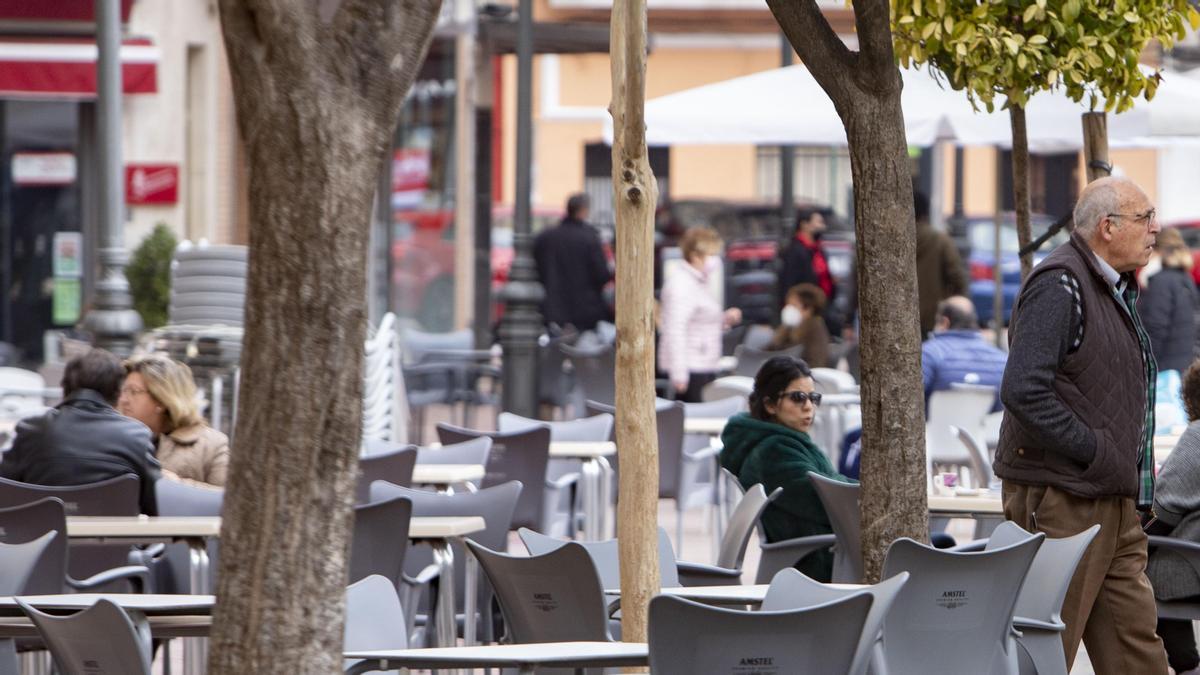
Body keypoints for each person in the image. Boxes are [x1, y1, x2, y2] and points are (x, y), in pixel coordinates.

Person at [993, 176, 1166, 673]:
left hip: (1110, 497)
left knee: (1137, 649)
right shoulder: (1060, 283)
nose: (1155, 228)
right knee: (1046, 649)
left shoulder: (1113, 288)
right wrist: (1095, 450)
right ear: (1108, 228)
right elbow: (1023, 388)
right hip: (1064, 497)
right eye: (1144, 217)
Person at [720, 355, 849, 581]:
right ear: (769, 404)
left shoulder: (784, 443)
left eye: (813, 397)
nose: (808, 406)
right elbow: (830, 498)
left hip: (828, 553)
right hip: (814, 566)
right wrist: (877, 495)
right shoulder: (773, 453)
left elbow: (833, 488)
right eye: (797, 397)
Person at [0, 349, 159, 514]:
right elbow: (155, 504)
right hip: (116, 538)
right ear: (117, 392)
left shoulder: (31, 430)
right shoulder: (136, 435)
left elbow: (6, 492)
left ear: (65, 387)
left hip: (43, 538)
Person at [1146, 360, 1200, 675]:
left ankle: (1185, 665)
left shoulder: (1196, 438)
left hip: (1190, 564)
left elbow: (1163, 508)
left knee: (1130, 570)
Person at [119, 355, 229, 487]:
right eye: (124, 391)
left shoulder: (212, 445)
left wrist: (174, 484)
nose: (123, 400)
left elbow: (228, 499)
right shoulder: (115, 440)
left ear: (162, 399)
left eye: (133, 391)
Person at [659, 227, 741, 402]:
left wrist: (723, 319)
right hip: (691, 367)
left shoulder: (698, 282)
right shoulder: (682, 285)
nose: (715, 260)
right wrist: (679, 373)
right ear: (696, 255)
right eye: (711, 254)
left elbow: (699, 320)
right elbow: (675, 329)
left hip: (701, 362)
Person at [532, 193, 612, 333]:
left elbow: (536, 268)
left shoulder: (546, 237)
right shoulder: (590, 238)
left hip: (552, 308)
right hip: (586, 311)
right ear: (584, 210)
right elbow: (602, 275)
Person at [920, 296, 1007, 411]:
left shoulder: (928, 354)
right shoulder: (1002, 360)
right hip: (987, 428)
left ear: (945, 323)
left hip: (936, 428)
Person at [1139, 227, 1199, 374]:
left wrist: (1146, 367)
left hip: (1165, 371)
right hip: (1184, 367)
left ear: (1155, 250)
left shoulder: (1160, 281)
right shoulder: (1185, 278)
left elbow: (1155, 329)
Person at [913, 189, 968, 338]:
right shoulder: (940, 240)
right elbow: (957, 276)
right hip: (933, 319)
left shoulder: (890, 243)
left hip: (897, 319)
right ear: (926, 213)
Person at [778, 209, 835, 313]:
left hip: (821, 306)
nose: (822, 226)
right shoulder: (795, 251)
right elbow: (789, 282)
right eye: (818, 222)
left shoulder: (818, 249)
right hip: (805, 309)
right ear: (805, 225)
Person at [767, 283, 832, 368]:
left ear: (808, 309)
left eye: (793, 305)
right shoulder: (787, 329)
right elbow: (769, 351)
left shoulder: (815, 330)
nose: (788, 309)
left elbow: (816, 362)